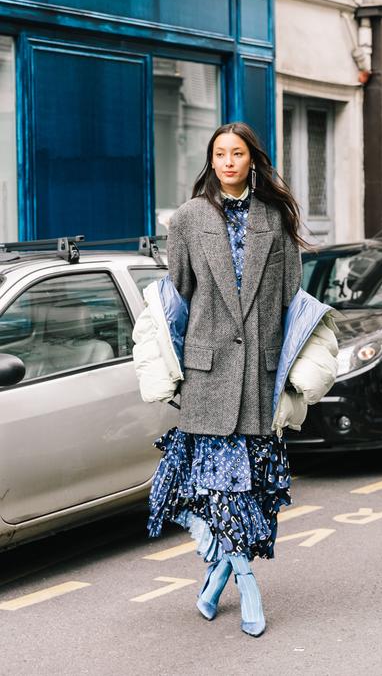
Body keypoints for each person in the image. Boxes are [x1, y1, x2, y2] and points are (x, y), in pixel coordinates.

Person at [132, 122, 338, 637]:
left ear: (252, 160)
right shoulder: (188, 219)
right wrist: (167, 366)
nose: (228, 161)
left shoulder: (275, 219)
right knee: (221, 492)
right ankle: (247, 585)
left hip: (260, 377)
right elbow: (174, 301)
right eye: (220, 153)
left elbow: (291, 304)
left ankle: (212, 582)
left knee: (255, 492)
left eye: (237, 153)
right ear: (211, 160)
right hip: (208, 376)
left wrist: (298, 369)